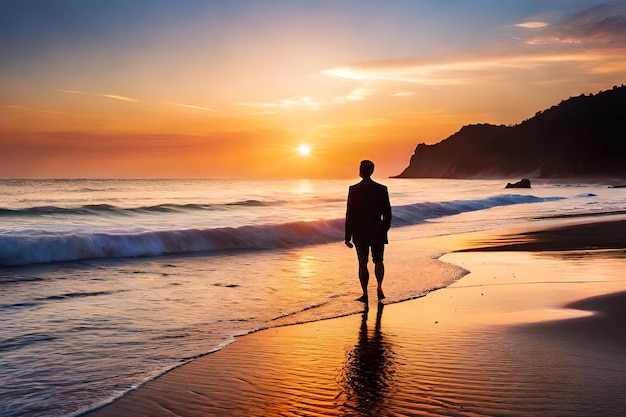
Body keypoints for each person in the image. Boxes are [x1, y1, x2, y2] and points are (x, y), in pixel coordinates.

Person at [345, 160, 392, 302]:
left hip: (360, 232)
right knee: (378, 261)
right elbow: (388, 213)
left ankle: (365, 294)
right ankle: (379, 287)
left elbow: (350, 214)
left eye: (360, 167)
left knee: (362, 263)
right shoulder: (381, 189)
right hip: (377, 230)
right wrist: (384, 228)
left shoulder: (354, 189)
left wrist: (347, 236)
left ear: (362, 170)